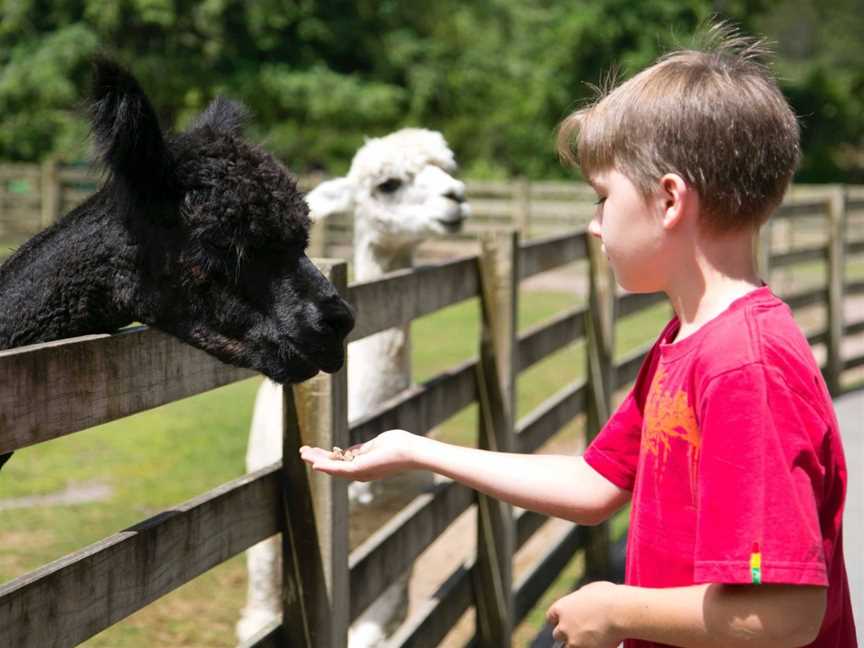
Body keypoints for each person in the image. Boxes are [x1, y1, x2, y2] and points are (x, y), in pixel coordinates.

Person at [300, 21, 857, 648]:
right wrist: (419, 449)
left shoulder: (742, 368)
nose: (595, 225)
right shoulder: (688, 341)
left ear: (670, 201)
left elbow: (782, 614)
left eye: (602, 198)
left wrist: (616, 608)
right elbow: (596, 485)